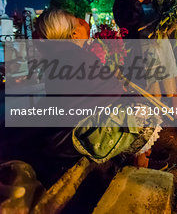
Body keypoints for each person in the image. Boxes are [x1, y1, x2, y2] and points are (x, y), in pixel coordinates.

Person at [33, 9, 161, 166]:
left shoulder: (56, 54)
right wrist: (122, 91)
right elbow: (108, 90)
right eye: (75, 25)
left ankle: (139, 158)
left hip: (67, 122)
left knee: (131, 108)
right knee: (143, 115)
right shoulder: (74, 54)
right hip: (79, 130)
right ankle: (140, 169)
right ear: (70, 33)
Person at [113, 0, 177, 100]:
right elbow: (124, 24)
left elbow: (170, 18)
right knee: (153, 88)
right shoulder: (122, 2)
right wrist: (135, 4)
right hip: (144, 50)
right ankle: (157, 119)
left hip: (165, 46)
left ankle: (176, 116)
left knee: (174, 82)